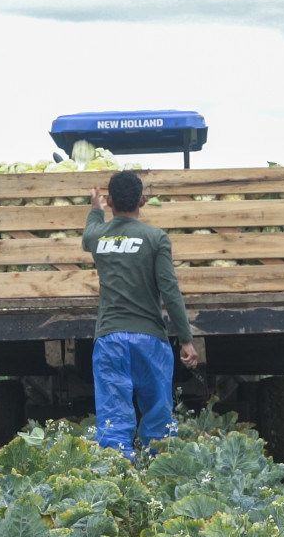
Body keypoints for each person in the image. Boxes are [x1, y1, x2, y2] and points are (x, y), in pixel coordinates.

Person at [84, 170, 199, 459]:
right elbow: (170, 291)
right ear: (143, 200)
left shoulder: (98, 237)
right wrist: (186, 340)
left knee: (113, 418)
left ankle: (118, 480)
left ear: (110, 201)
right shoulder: (155, 238)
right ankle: (159, 479)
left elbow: (87, 235)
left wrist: (95, 211)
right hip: (150, 341)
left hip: (110, 340)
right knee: (159, 418)